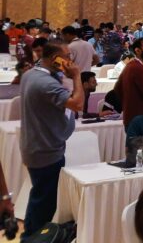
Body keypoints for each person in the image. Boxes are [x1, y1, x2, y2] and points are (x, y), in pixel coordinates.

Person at [19, 42, 84, 238]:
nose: (71, 60)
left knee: (40, 196)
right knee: (44, 202)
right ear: (55, 58)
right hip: (46, 148)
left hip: (39, 144)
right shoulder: (45, 83)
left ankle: (33, 236)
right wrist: (77, 76)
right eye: (67, 56)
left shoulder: (31, 74)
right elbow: (77, 104)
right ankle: (33, 238)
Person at [115, 38, 143, 127]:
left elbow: (117, 89)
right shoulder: (137, 67)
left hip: (131, 116)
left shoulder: (131, 65)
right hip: (140, 118)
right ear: (137, 50)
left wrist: (127, 104)